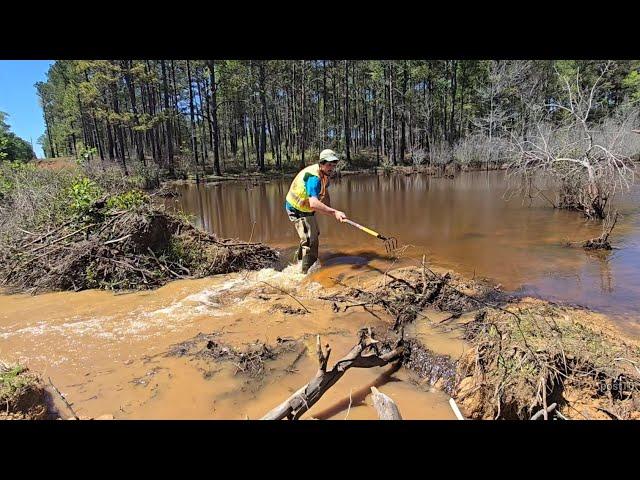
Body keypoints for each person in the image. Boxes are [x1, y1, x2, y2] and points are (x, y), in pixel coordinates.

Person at [285, 149, 348, 273]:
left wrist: (331, 210)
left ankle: (298, 263)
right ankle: (305, 275)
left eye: (334, 165)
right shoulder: (314, 178)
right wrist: (334, 212)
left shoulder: (324, 174)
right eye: (329, 164)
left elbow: (325, 193)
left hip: (305, 208)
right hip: (296, 209)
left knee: (312, 234)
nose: (332, 168)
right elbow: (314, 203)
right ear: (322, 163)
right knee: (311, 240)